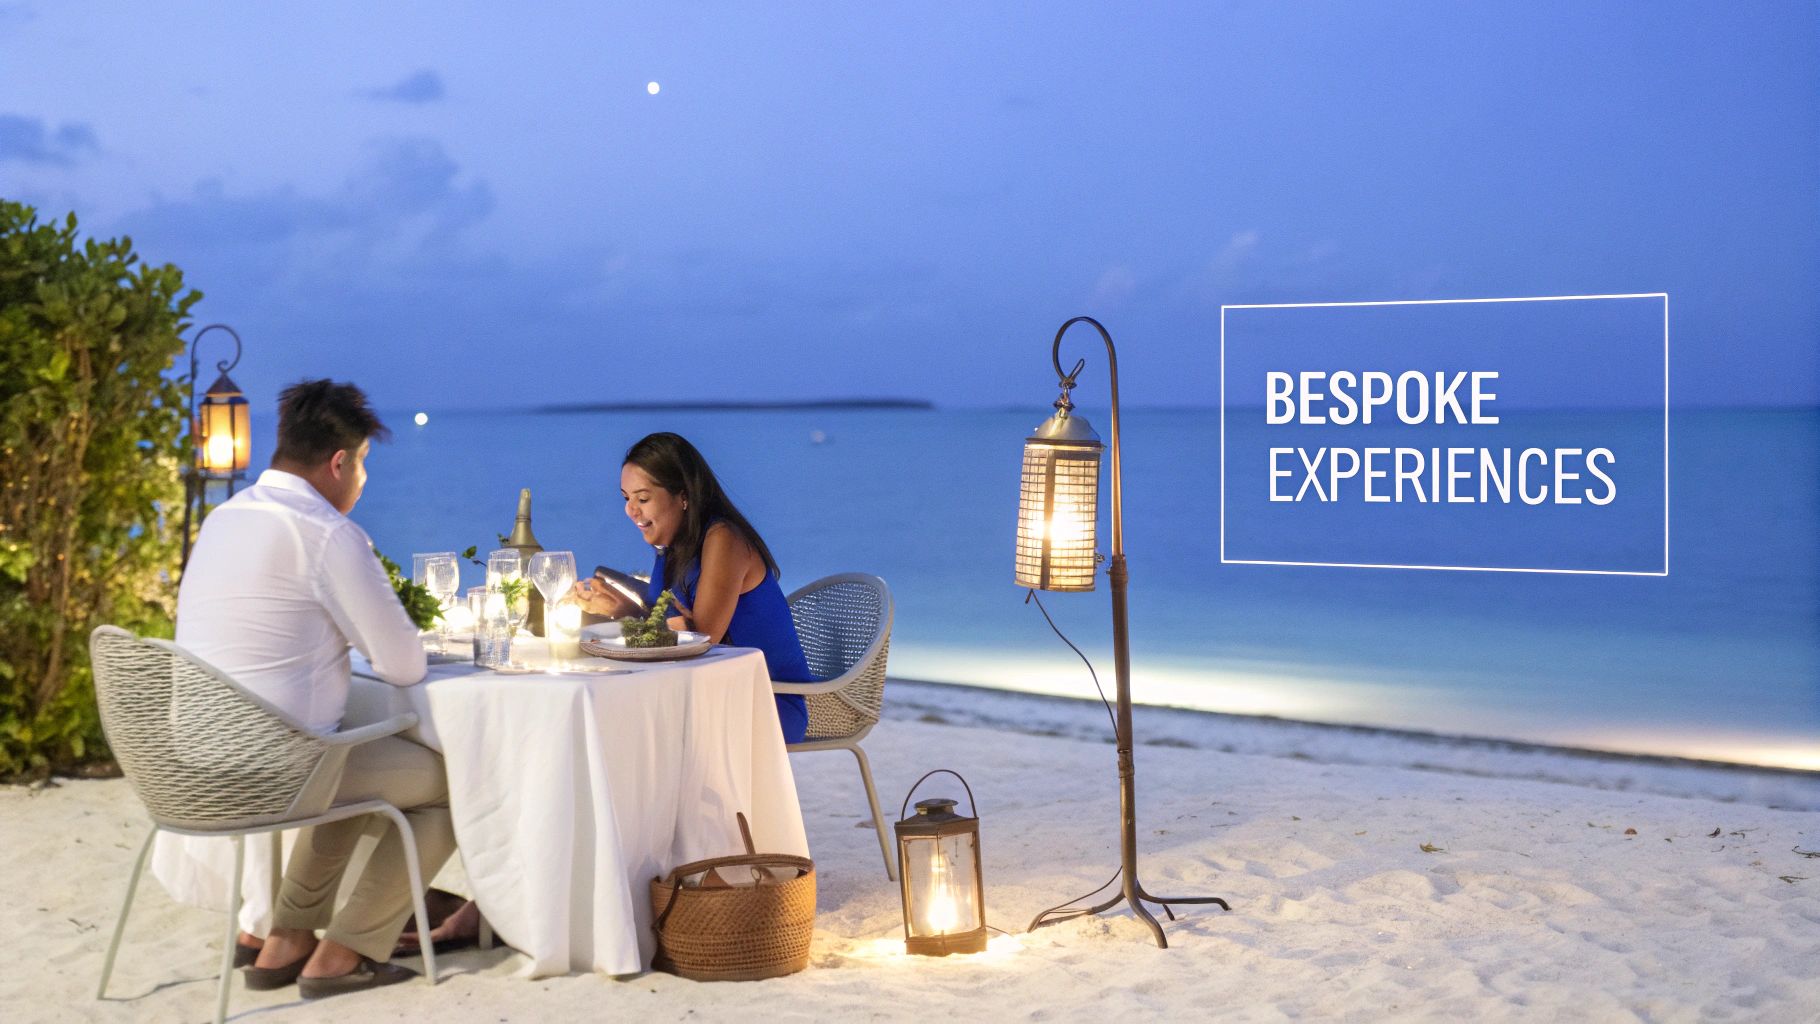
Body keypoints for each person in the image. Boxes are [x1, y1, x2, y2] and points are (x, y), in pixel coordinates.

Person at [162, 379, 453, 999]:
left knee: (345, 752)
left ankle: (286, 939)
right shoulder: (324, 533)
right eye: (365, 465)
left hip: (185, 770)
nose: (363, 481)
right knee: (451, 788)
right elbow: (402, 664)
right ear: (340, 461)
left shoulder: (223, 519)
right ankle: (346, 951)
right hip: (271, 773)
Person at [572, 431, 813, 742]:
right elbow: (671, 628)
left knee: (620, 721)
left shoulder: (723, 539)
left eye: (643, 498)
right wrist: (621, 610)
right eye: (626, 498)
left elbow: (700, 640)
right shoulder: (672, 547)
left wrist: (664, 624)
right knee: (601, 709)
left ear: (683, 496)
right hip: (708, 688)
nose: (631, 510)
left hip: (766, 698)